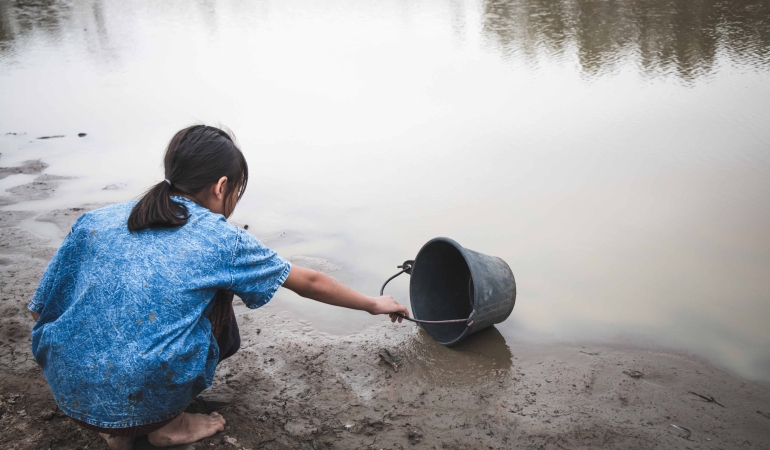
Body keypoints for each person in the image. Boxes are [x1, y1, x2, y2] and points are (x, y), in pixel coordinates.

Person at [28, 125, 409, 450]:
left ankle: (118, 426)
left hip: (70, 391)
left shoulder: (97, 219)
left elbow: (39, 307)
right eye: (236, 191)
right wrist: (372, 304)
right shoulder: (220, 239)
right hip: (138, 393)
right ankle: (166, 424)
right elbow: (308, 281)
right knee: (222, 297)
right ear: (222, 186)